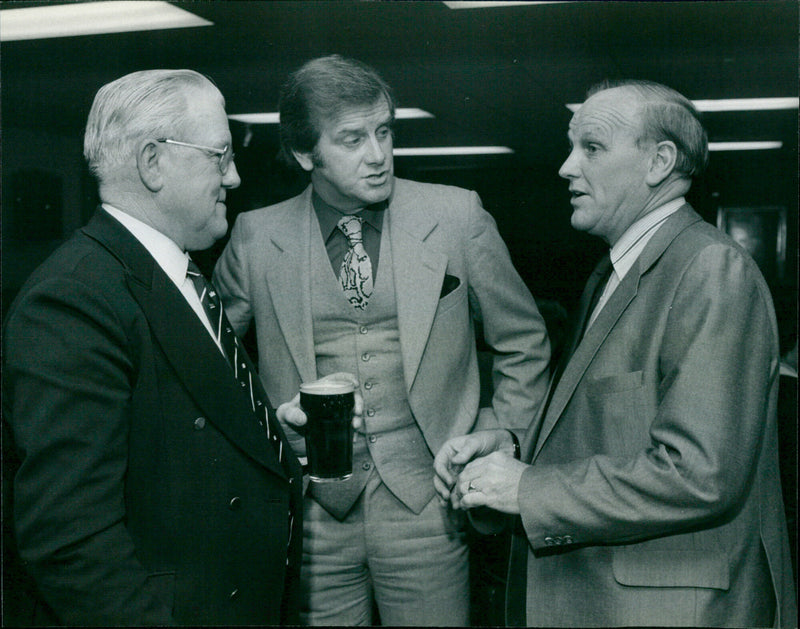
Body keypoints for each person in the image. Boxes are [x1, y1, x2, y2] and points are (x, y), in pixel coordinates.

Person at [434, 80, 797, 627]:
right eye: (571, 145)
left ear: (660, 161)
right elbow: (603, 429)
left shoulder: (710, 271)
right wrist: (507, 447)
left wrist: (526, 486)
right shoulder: (612, 271)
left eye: (592, 148)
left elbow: (700, 473)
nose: (565, 166)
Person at [212, 54, 550, 626]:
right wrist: (268, 431)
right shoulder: (255, 236)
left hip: (428, 504)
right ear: (304, 154)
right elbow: (209, 366)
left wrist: (500, 436)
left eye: (384, 131)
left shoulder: (455, 216)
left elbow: (524, 340)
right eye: (351, 139)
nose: (378, 154)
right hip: (314, 510)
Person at [2, 69, 303, 626]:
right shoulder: (74, 299)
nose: (234, 177)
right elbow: (71, 540)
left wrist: (270, 442)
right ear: (152, 162)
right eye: (220, 155)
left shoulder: (173, 273)